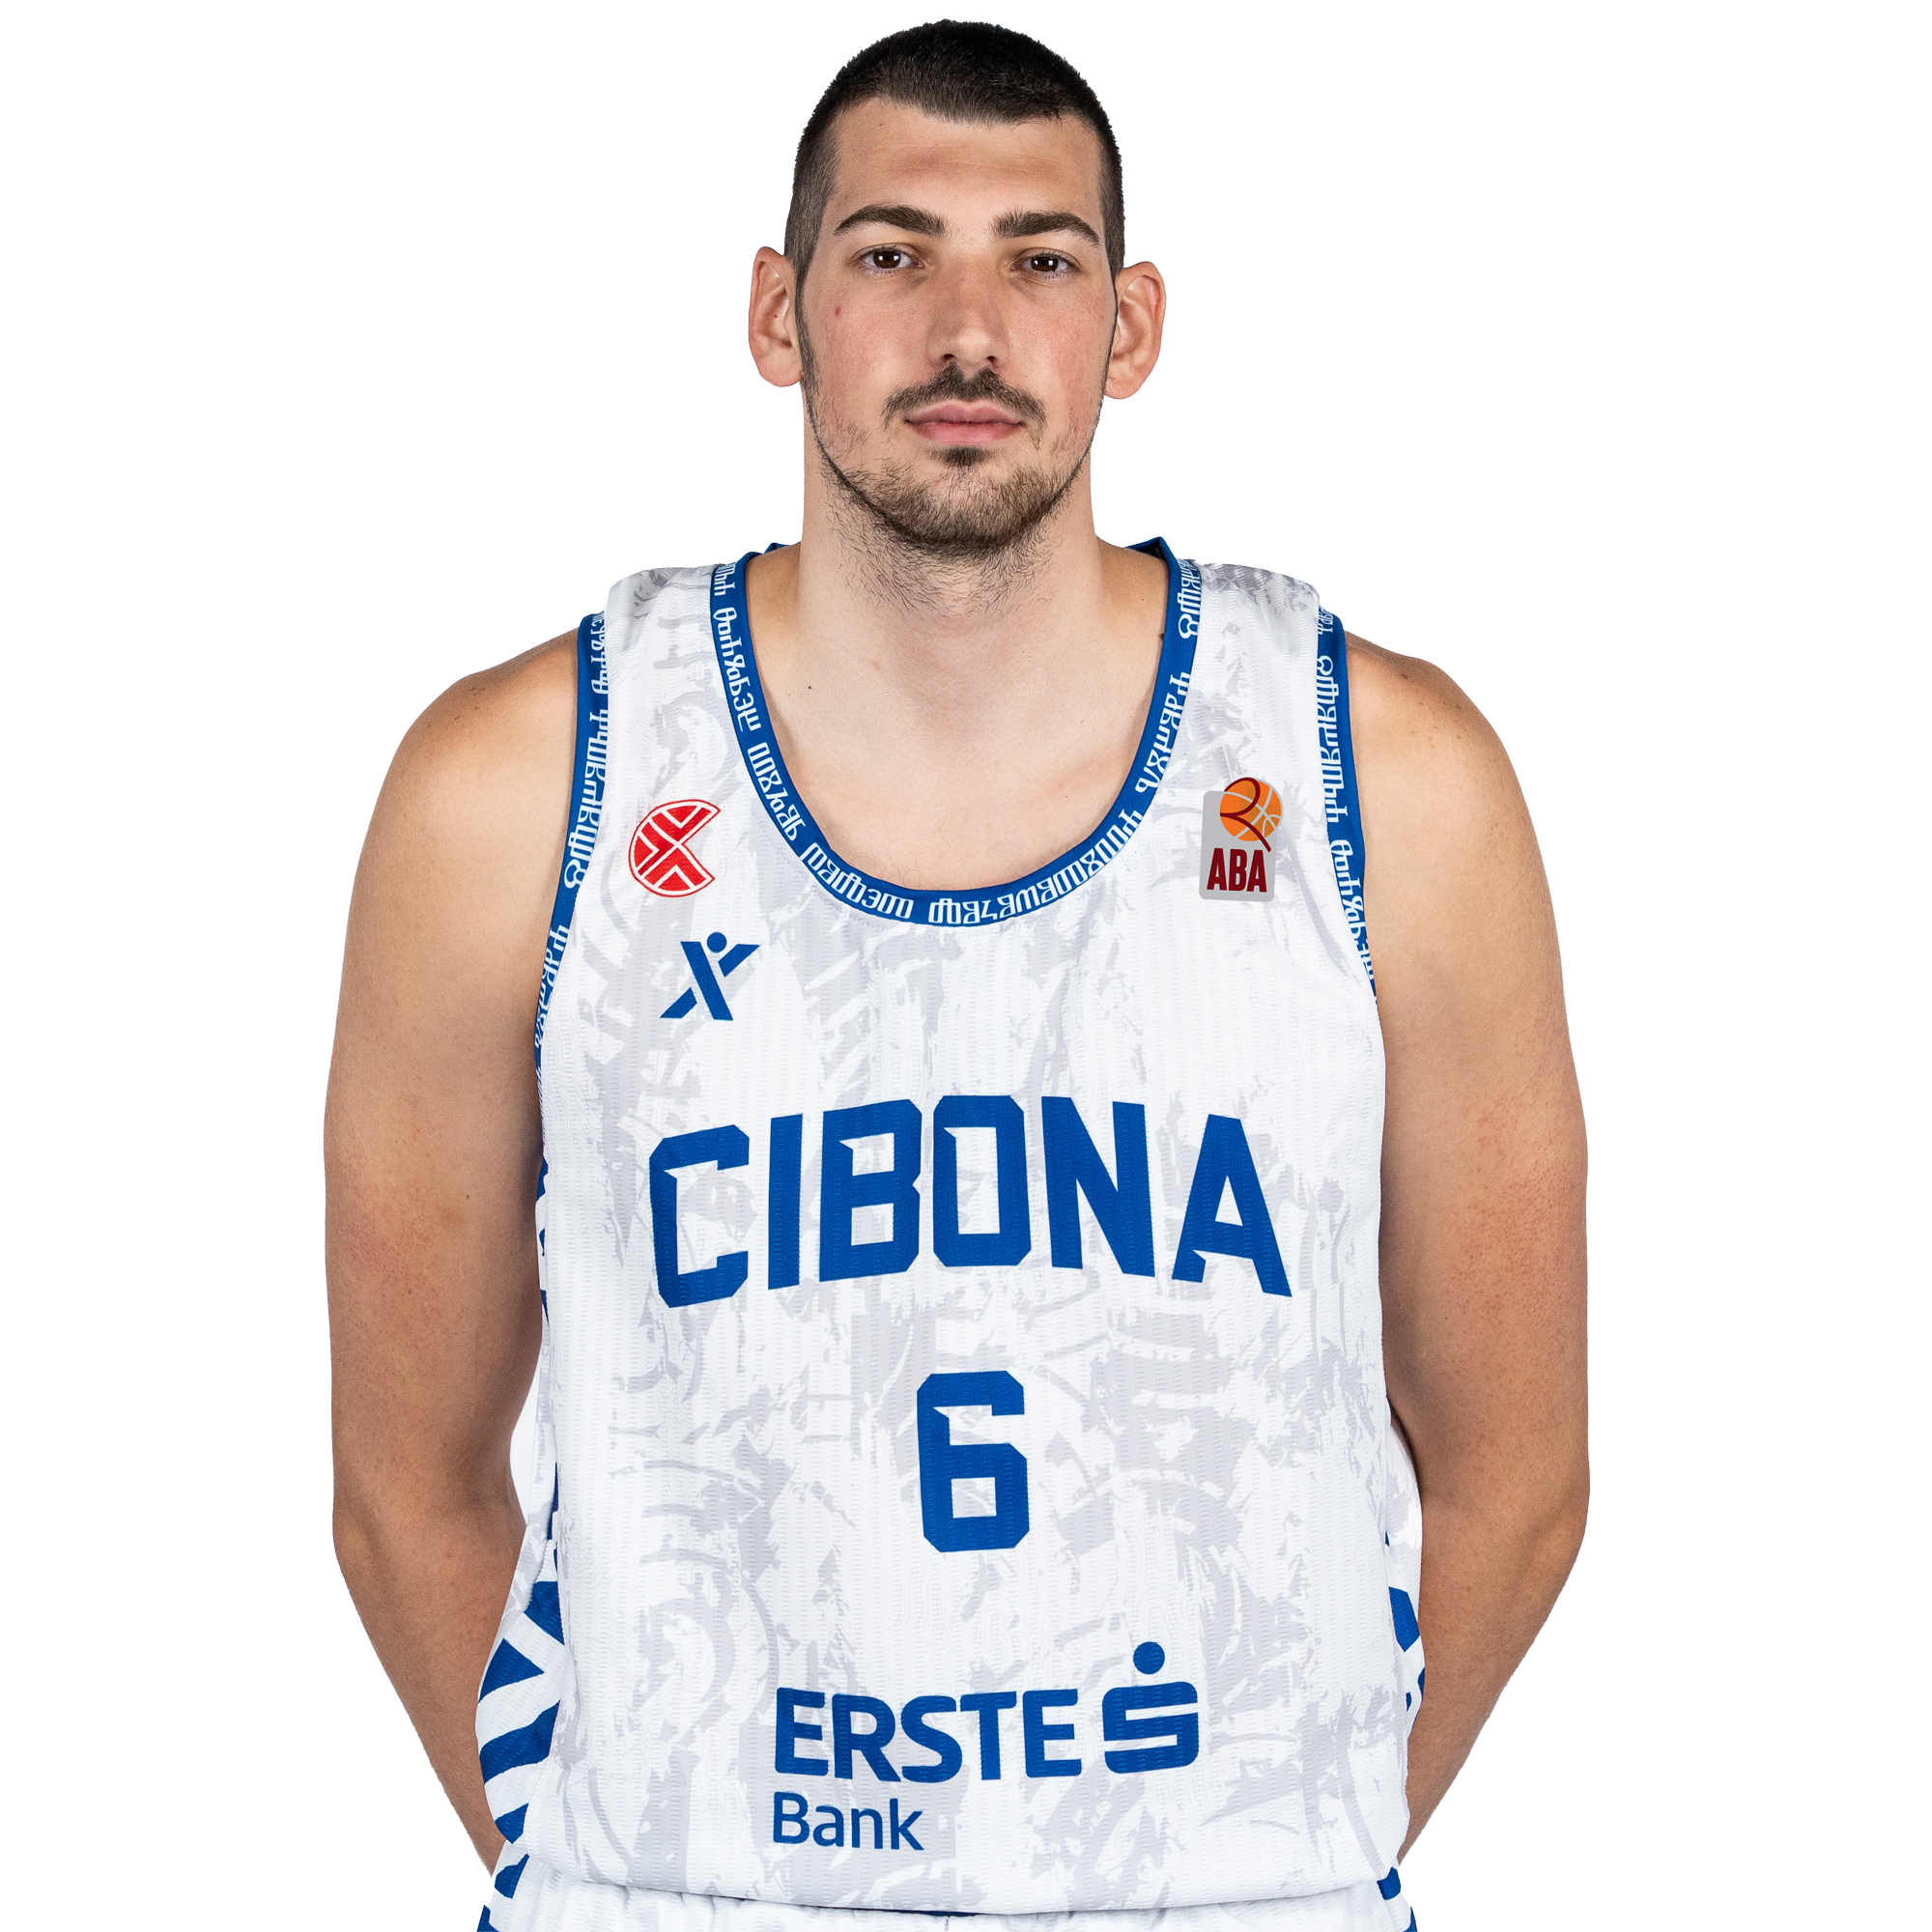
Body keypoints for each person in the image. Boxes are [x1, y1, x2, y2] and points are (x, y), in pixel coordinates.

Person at [327, 20, 1587, 1932]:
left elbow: (1520, 1470)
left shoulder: (1381, 782)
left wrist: (1279, 1842)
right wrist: (612, 1858)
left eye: (1041, 259)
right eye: (893, 252)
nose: (969, 329)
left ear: (1130, 327)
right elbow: (400, 1484)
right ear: (781, 312)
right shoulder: (521, 790)